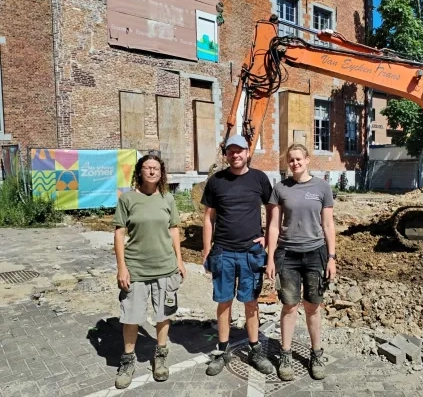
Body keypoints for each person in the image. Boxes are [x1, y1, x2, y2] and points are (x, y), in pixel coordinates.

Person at [201, 134, 275, 376]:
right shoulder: (216, 181)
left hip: (250, 253)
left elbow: (273, 210)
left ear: (247, 153)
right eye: (231, 151)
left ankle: (254, 349)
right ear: (226, 154)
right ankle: (223, 351)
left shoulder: (259, 179)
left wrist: (268, 238)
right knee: (224, 303)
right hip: (223, 251)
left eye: (239, 151)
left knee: (251, 302)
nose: (235, 155)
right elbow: (208, 218)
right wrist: (206, 249)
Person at [112, 154, 186, 389]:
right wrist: (122, 267)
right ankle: (127, 361)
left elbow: (174, 229)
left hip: (165, 267)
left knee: (163, 314)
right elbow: (119, 233)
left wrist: (180, 260)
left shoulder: (167, 198)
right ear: (140, 171)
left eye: (156, 168)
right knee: (131, 317)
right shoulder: (128, 199)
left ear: (161, 172)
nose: (152, 172)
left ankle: (161, 356)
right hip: (136, 269)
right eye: (147, 168)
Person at [265, 143, 336, 381]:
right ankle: (285, 354)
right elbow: (274, 226)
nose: (294, 163)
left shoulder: (322, 187)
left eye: (298, 159)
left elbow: (328, 225)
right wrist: (270, 258)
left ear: (307, 160)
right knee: (289, 306)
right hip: (288, 255)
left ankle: (316, 354)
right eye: (291, 160)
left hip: (316, 254)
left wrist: (332, 257)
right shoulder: (280, 188)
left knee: (313, 306)